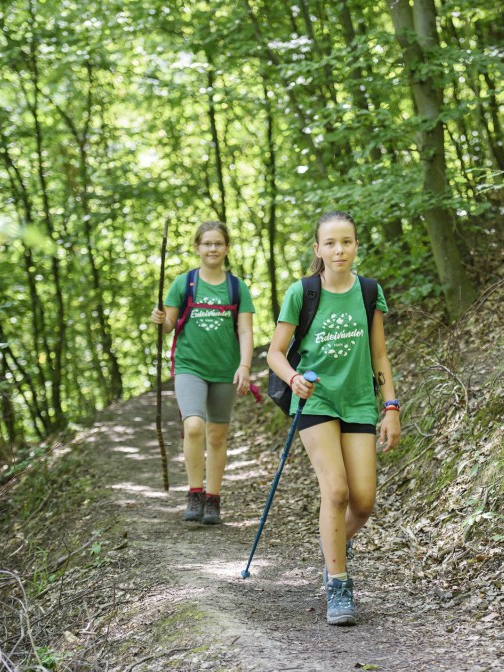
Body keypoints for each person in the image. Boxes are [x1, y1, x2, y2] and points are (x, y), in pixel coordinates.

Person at [267, 210, 401, 626]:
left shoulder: (368, 292)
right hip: (316, 402)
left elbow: (379, 354)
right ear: (318, 249)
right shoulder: (302, 293)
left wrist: (391, 407)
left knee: (363, 502)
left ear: (357, 245)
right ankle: (338, 584)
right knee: (337, 491)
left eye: (346, 242)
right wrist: (292, 378)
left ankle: (331, 551)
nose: (339, 250)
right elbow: (274, 352)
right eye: (330, 243)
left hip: (359, 402)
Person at [151, 221, 255, 525]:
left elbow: (246, 331)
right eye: (207, 243)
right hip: (189, 367)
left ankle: (213, 498)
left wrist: (245, 367)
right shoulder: (184, 284)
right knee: (194, 425)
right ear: (197, 247)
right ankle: (194, 493)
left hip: (225, 369)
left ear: (227, 248)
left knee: (218, 435)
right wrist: (159, 319)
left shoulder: (237, 287)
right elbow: (169, 325)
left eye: (218, 243)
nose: (212, 248)